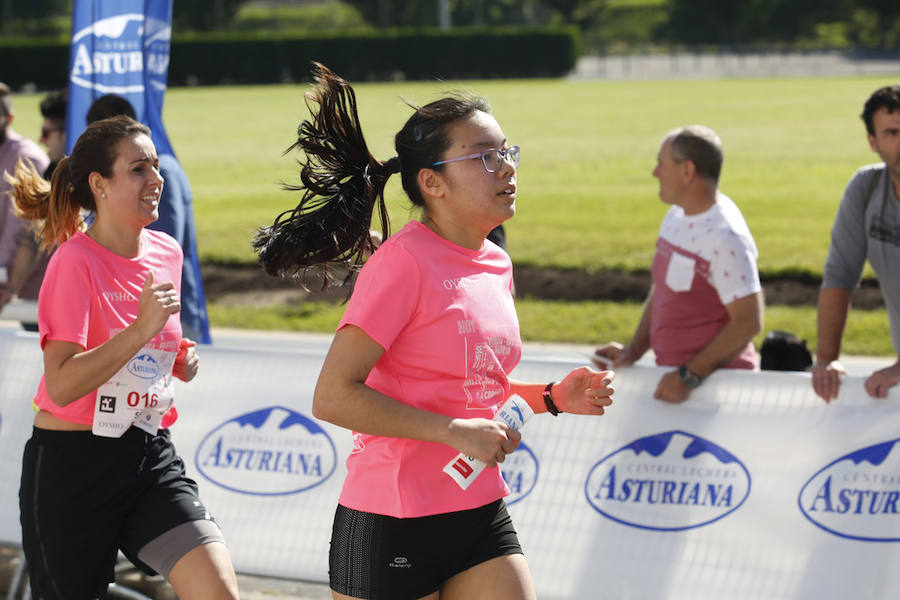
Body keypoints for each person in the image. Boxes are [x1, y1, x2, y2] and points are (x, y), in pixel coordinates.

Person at [254, 63, 615, 600]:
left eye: (508, 153)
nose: (507, 169)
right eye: (485, 158)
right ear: (433, 182)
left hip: (476, 510)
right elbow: (332, 397)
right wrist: (451, 432)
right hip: (390, 518)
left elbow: (471, 391)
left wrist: (551, 397)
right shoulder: (401, 264)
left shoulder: (495, 262)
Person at [7, 115, 238, 599]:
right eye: (139, 168)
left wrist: (176, 357)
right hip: (72, 468)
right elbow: (63, 384)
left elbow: (156, 342)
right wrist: (140, 331)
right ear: (100, 184)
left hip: (147, 452)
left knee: (217, 589)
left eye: (155, 166)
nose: (157, 178)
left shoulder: (166, 252)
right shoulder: (73, 262)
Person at [594, 125, 763, 403]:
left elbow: (748, 322)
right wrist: (633, 350)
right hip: (677, 387)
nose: (655, 172)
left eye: (662, 164)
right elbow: (663, 290)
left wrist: (689, 375)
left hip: (716, 394)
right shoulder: (676, 216)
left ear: (687, 171)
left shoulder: (726, 237)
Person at [86, 93, 212, 343]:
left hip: (172, 318)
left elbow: (158, 254)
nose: (156, 179)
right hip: (140, 320)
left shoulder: (162, 174)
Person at [813, 84, 900, 402]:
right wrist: (826, 360)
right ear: (873, 142)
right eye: (892, 133)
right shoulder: (866, 189)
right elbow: (840, 275)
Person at [0, 90, 68, 323]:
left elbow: (31, 233)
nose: (42, 140)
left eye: (46, 132)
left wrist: (10, 287)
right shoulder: (53, 168)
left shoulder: (33, 160)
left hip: (49, 299)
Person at [0, 82, 50, 310]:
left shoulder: (28, 159)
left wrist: (6, 281)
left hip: (30, 291)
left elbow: (20, 228)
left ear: (9, 118)